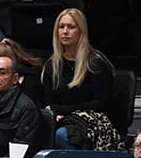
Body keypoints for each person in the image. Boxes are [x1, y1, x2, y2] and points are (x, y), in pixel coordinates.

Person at [42, 9, 118, 150]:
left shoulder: (95, 63)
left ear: (81, 31)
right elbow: (49, 103)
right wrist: (57, 113)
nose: (65, 31)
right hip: (64, 121)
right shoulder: (52, 65)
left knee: (63, 135)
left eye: (71, 27)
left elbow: (100, 103)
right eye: (61, 27)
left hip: (92, 122)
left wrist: (62, 110)